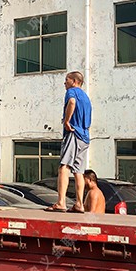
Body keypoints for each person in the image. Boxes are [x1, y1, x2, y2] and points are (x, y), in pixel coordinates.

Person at [47, 71, 92, 213]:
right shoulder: (86, 97)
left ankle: (61, 202)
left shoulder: (72, 92)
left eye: (67, 80)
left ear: (74, 81)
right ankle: (79, 204)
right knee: (79, 171)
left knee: (64, 167)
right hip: (84, 136)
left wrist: (67, 121)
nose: (64, 83)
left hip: (73, 133)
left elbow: (72, 102)